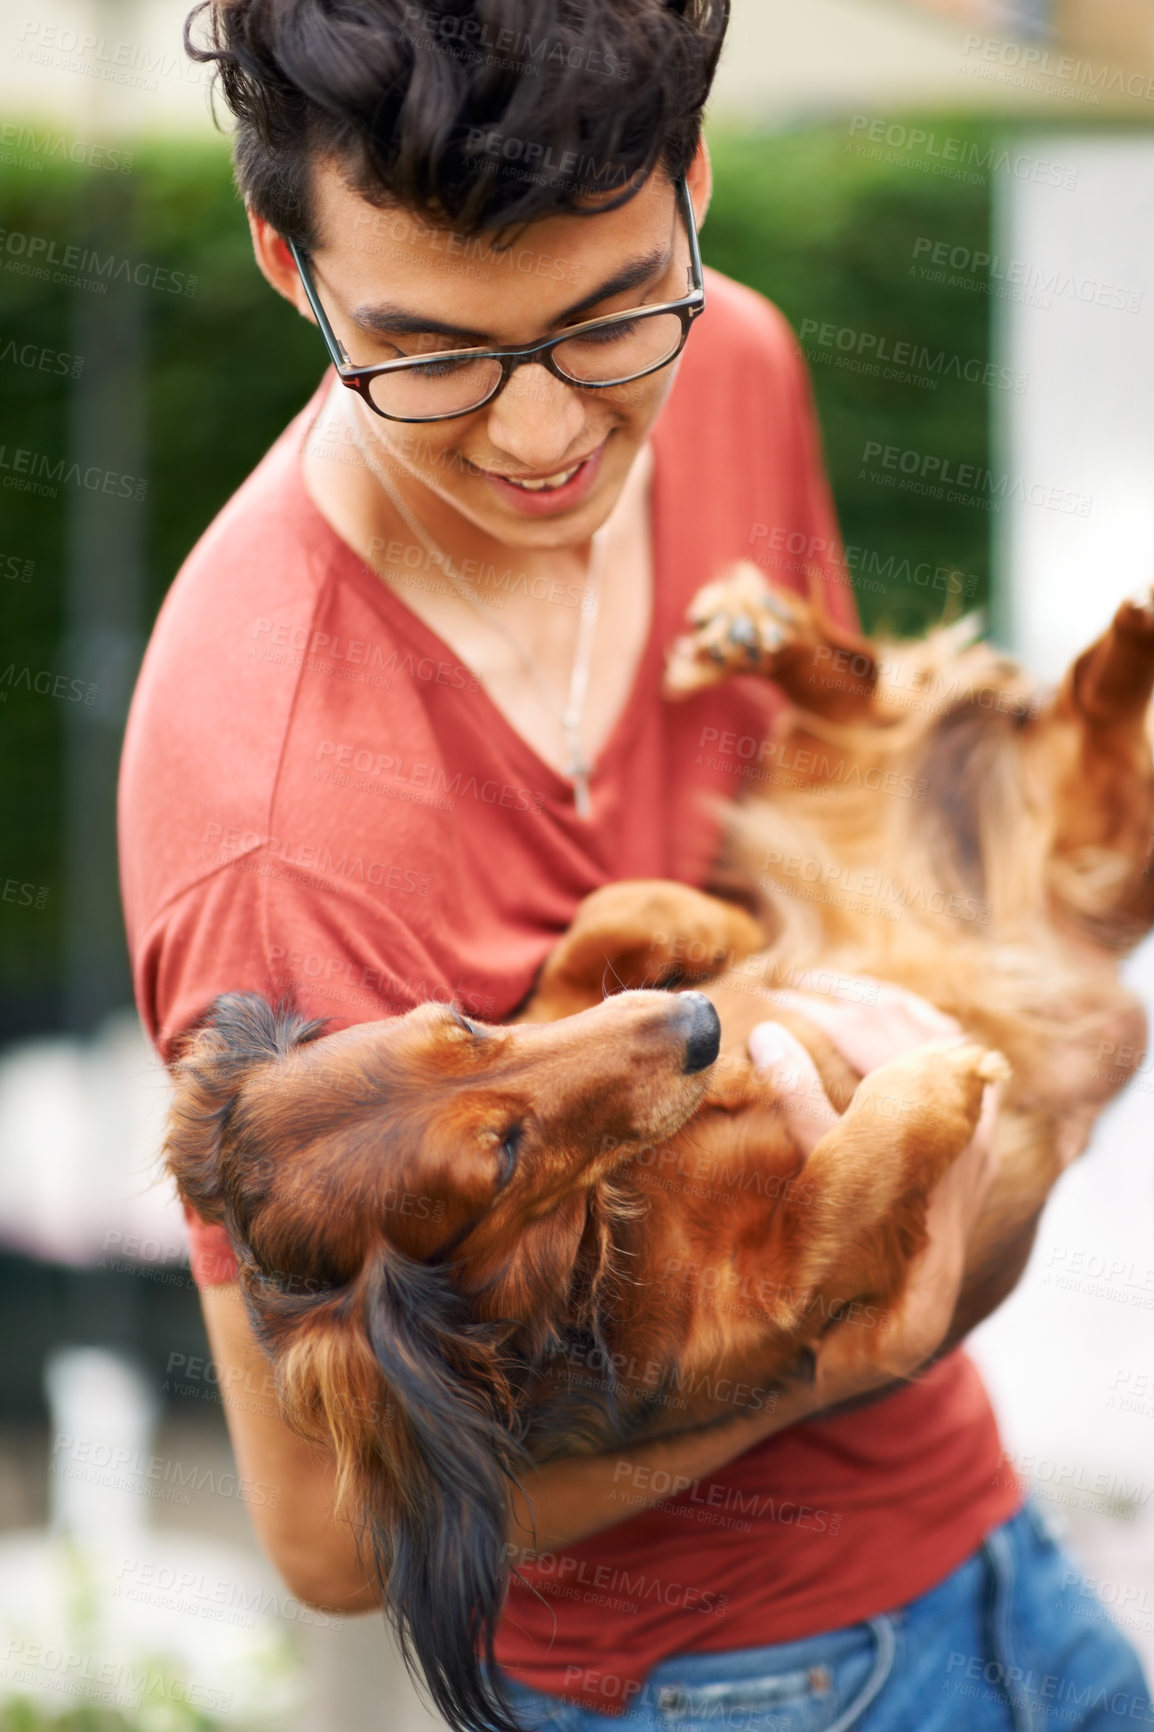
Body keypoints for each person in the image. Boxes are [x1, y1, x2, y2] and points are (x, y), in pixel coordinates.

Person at [117, 2, 1151, 1727]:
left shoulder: (731, 356)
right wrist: (829, 1355)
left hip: (985, 1536)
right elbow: (321, 1530)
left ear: (693, 181)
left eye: (606, 322)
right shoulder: (271, 819)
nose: (539, 440)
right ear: (283, 262)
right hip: (702, 1685)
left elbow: (833, 857)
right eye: (429, 353)